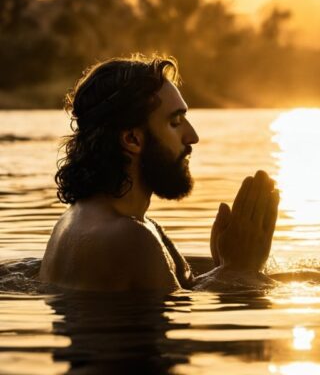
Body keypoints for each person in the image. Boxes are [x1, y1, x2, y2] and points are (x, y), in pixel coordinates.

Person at [39, 54, 280, 293]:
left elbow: (184, 291)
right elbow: (180, 316)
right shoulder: (131, 238)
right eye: (175, 122)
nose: (192, 136)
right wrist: (239, 268)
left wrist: (223, 265)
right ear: (132, 139)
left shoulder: (86, 220)